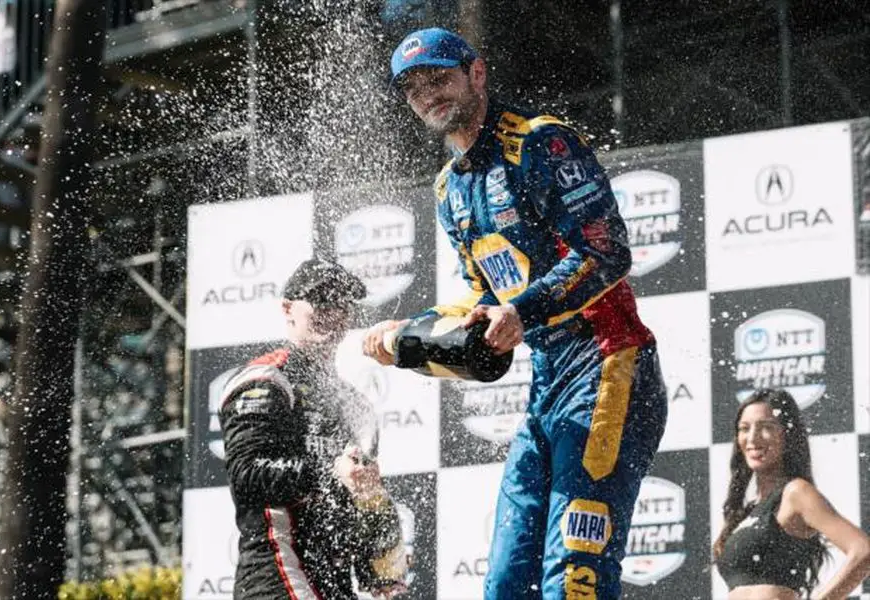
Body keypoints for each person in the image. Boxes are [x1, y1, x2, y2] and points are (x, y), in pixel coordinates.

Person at [363, 28, 668, 599]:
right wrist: (407, 332)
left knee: (573, 575)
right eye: (413, 89)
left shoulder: (540, 143)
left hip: (609, 364)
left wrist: (522, 311)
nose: (428, 95)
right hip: (548, 381)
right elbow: (485, 303)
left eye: (439, 79)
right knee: (506, 581)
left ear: (476, 74)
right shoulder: (447, 189)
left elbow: (608, 251)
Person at [220, 258, 407, 600]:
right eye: (319, 301)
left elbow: (364, 497)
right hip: (276, 577)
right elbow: (247, 477)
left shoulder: (355, 406)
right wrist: (328, 471)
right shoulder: (266, 380)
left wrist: (383, 574)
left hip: (335, 587)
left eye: (341, 303)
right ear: (288, 308)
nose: (331, 312)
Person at [714, 389, 870, 600]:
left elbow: (863, 551)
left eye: (766, 427)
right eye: (744, 428)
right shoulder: (746, 511)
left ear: (787, 434)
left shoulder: (796, 493)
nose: (752, 438)